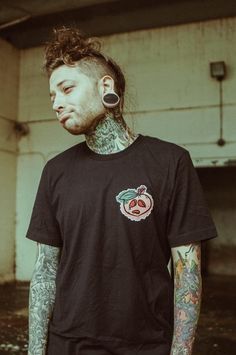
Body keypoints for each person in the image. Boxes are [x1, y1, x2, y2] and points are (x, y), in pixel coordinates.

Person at [26, 27, 217, 355]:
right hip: (67, 345)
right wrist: (34, 350)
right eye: (52, 96)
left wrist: (181, 351)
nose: (57, 103)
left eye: (67, 88)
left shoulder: (170, 162)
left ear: (106, 87)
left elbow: (188, 272)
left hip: (145, 345)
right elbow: (45, 270)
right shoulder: (55, 171)